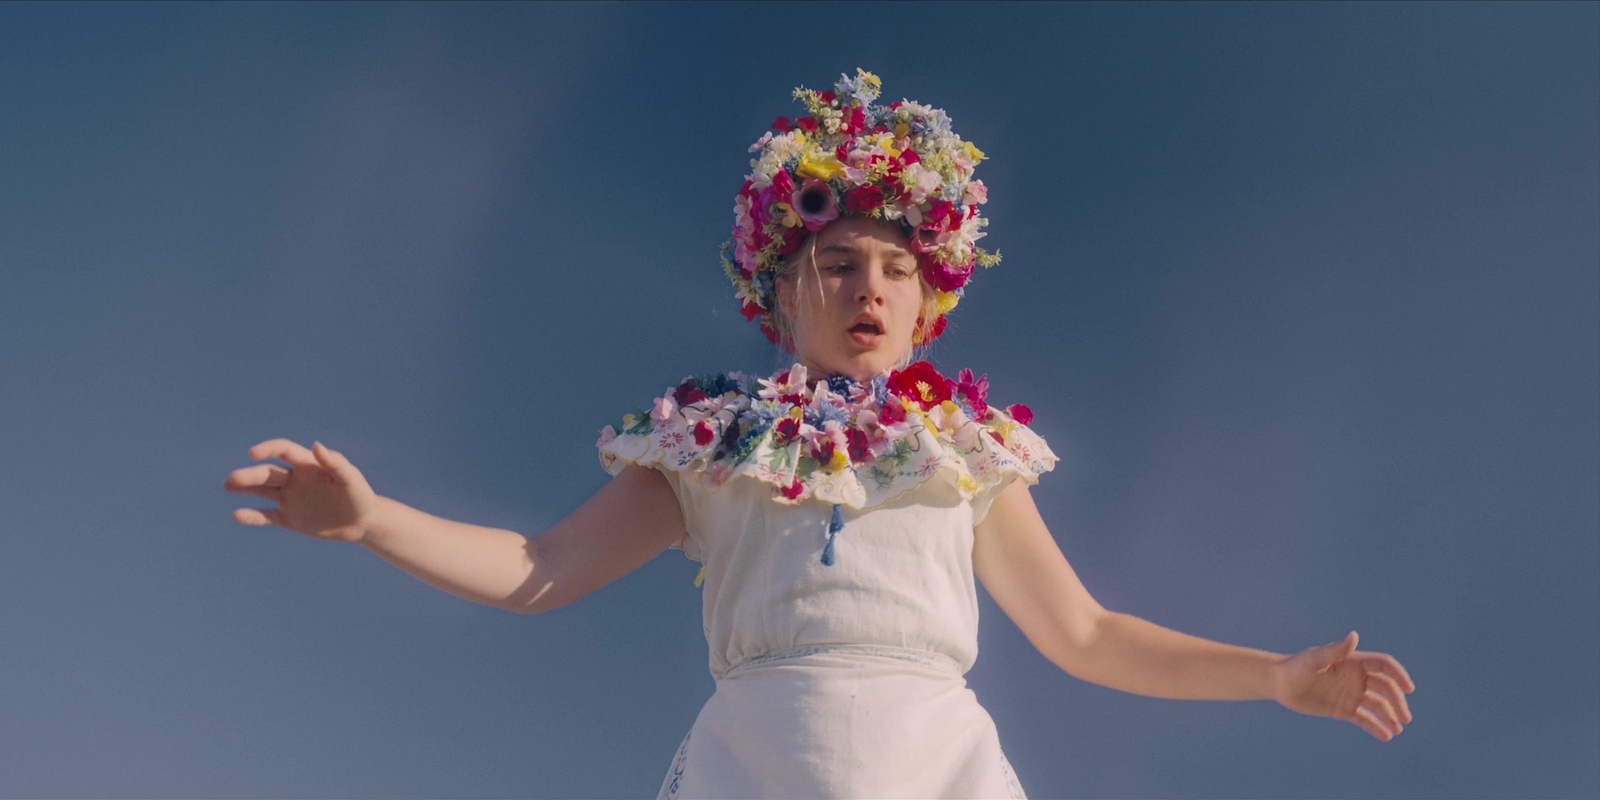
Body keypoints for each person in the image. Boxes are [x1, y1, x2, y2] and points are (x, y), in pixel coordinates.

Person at [224, 69, 1416, 799]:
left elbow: (1088, 632)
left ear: (928, 300)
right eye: (837, 263)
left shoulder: (966, 451)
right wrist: (374, 519)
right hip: (762, 756)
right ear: (779, 292)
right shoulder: (708, 441)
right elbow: (541, 570)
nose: (869, 287)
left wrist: (1274, 677)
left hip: (935, 758)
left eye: (897, 268)